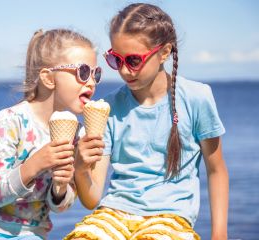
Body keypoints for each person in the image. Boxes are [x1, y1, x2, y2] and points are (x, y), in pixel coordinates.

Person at [65, 3, 228, 240]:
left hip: (170, 217)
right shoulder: (108, 108)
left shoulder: (196, 98)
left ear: (164, 52)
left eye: (133, 60)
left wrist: (219, 234)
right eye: (116, 60)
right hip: (113, 213)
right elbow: (91, 200)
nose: (124, 70)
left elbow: (217, 170)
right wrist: (80, 167)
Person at [0, 28, 102, 240]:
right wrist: (35, 164)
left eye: (97, 74)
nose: (92, 82)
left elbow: (60, 207)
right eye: (83, 72)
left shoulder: (78, 135)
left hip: (32, 232)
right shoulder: (11, 121)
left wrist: (60, 187)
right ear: (49, 78)